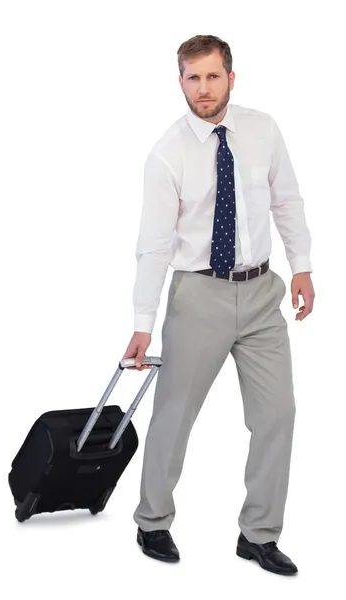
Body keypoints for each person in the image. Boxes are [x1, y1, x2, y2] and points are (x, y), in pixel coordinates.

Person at [122, 34, 315, 575]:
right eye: (192, 78)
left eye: (212, 76)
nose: (202, 89)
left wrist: (301, 266)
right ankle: (152, 521)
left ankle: (258, 534)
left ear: (232, 77)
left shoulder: (263, 130)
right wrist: (143, 322)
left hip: (261, 293)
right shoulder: (168, 153)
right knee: (174, 417)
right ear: (179, 81)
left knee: (278, 413)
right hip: (198, 295)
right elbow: (155, 245)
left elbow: (287, 199)